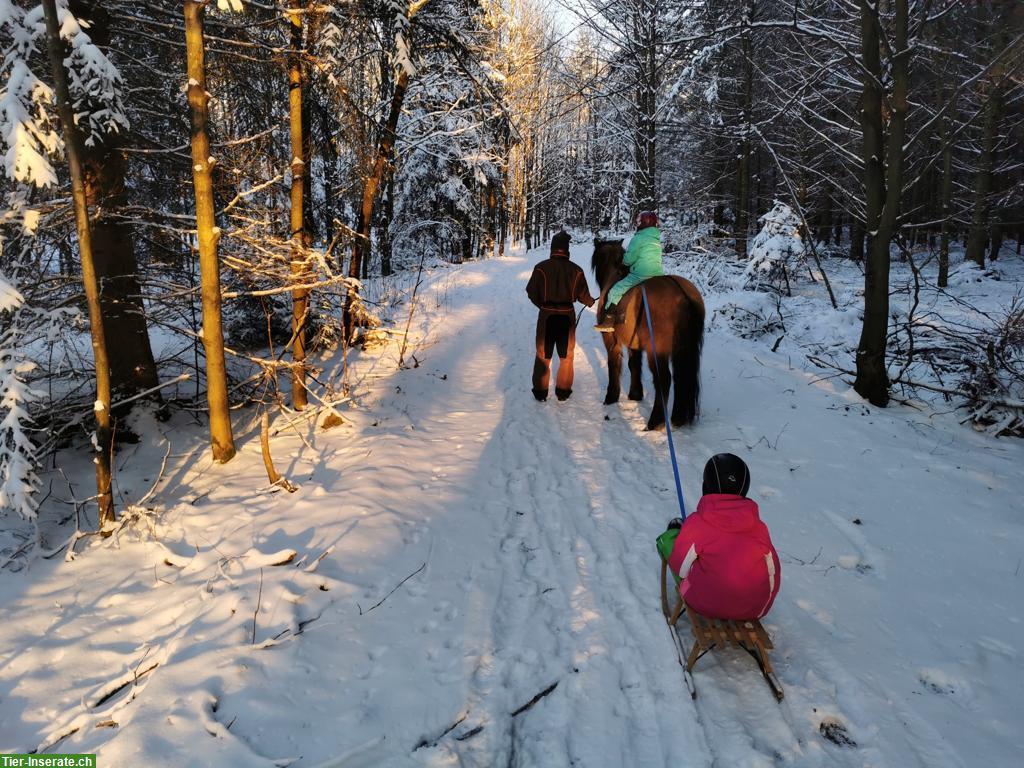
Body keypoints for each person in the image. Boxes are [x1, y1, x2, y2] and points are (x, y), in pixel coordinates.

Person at [655, 454, 781, 620]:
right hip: (755, 609)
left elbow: (680, 568)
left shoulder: (698, 522)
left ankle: (673, 534)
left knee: (671, 545)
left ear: (706, 486)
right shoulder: (759, 527)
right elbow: (774, 570)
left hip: (705, 604)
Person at [526, 231, 596, 401]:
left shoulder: (541, 267)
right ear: (567, 250)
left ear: (552, 249)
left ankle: (540, 392)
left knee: (543, 355)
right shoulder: (576, 270)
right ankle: (563, 392)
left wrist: (543, 306)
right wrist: (591, 302)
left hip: (546, 317)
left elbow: (531, 292)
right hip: (567, 317)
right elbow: (584, 296)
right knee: (566, 356)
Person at [594, 210, 664, 332]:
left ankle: (609, 321)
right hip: (658, 275)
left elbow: (629, 259)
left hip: (640, 274)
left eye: (639, 221)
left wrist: (624, 263)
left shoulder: (638, 238)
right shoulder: (656, 239)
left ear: (643, 223)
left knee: (615, 291)